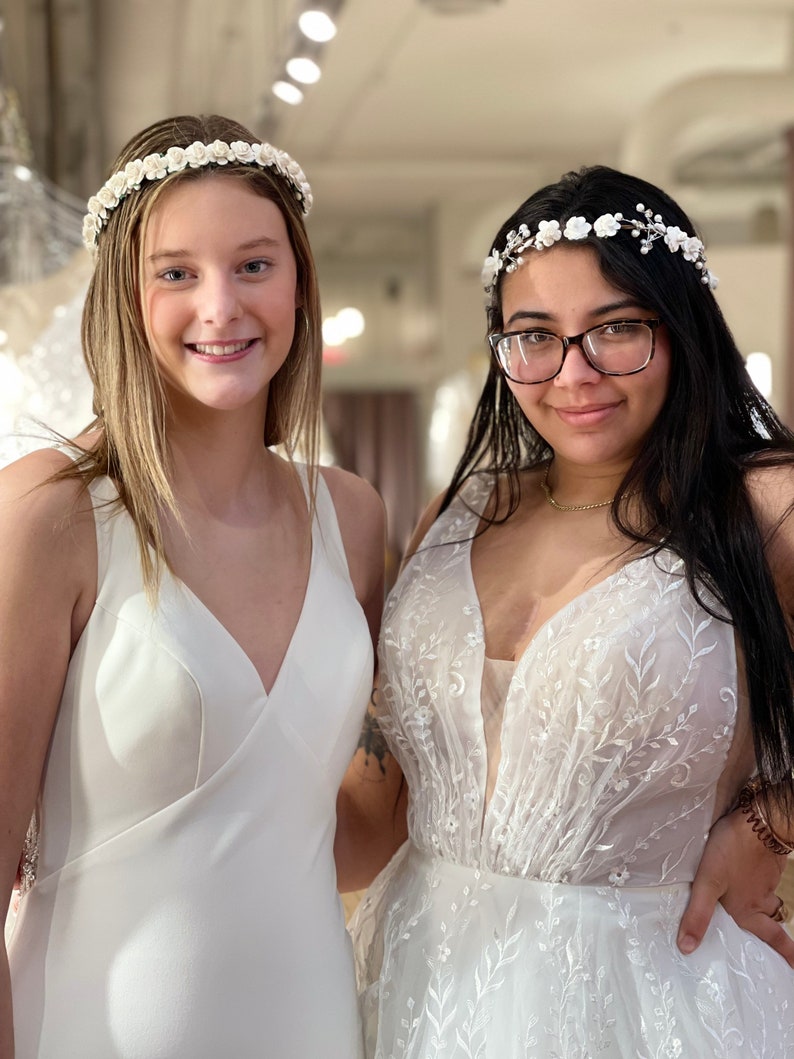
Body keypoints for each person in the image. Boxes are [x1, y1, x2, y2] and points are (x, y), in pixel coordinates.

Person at [343, 165, 794, 1057]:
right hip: (417, 981)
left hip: (656, 996)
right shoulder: (456, 514)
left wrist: (769, 821)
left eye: (616, 329)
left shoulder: (765, 507)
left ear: (682, 328)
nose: (574, 373)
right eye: (535, 337)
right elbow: (380, 803)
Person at [0, 113, 385, 1058]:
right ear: (126, 297)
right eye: (177, 272)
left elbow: (344, 833)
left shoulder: (354, 516)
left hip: (314, 1025)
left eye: (254, 264)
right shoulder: (50, 513)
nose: (221, 307)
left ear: (298, 282)